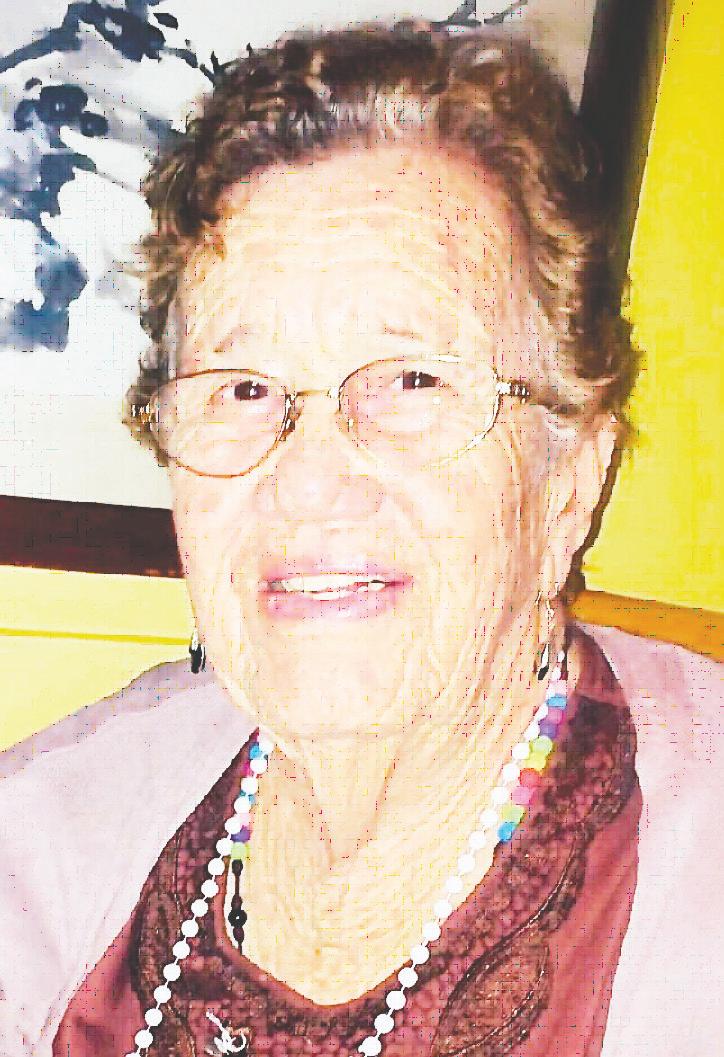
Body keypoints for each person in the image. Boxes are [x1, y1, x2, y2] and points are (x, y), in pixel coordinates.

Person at [1, 20, 721, 1057]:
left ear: (570, 480)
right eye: (242, 389)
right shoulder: (43, 832)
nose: (307, 482)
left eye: (413, 380)